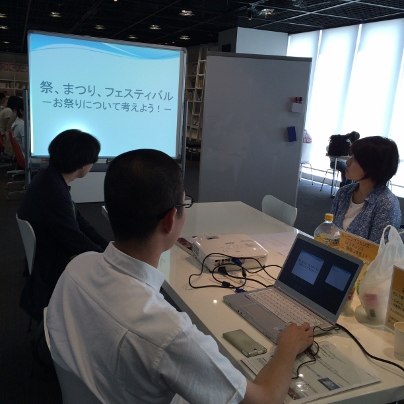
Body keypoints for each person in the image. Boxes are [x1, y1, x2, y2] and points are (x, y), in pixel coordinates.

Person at [47, 149, 313, 404]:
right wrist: (287, 348)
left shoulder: (76, 268)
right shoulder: (169, 334)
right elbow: (265, 400)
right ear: (170, 219)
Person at [18, 129, 109, 321]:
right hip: (52, 265)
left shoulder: (50, 178)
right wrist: (108, 259)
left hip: (46, 255)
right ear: (83, 164)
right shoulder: (53, 191)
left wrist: (106, 247)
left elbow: (78, 220)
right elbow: (75, 240)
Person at [330, 136, 401, 244]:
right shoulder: (344, 192)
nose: (348, 161)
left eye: (355, 159)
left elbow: (377, 250)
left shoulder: (386, 204)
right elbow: (329, 229)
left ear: (372, 166)